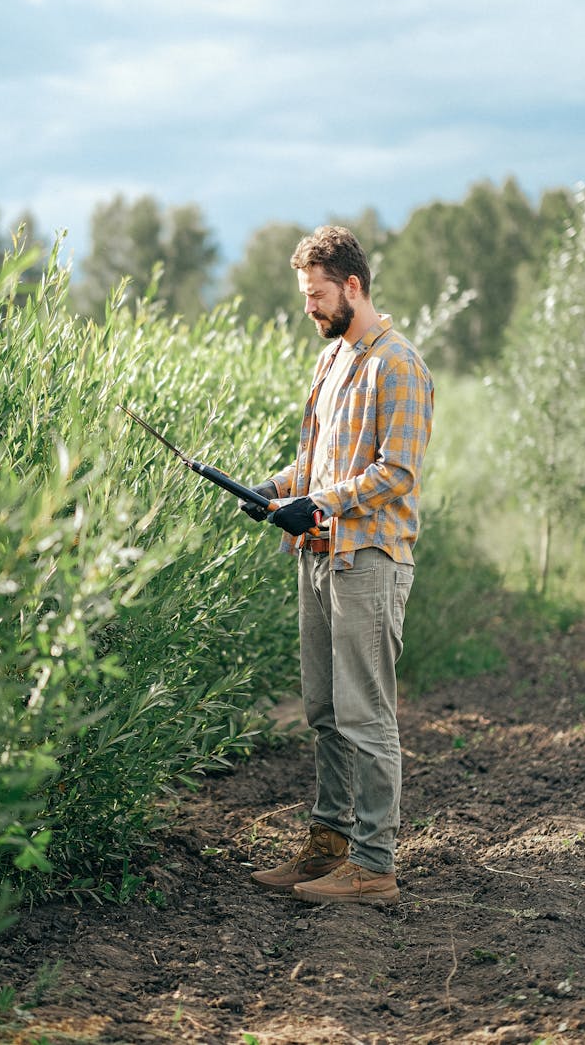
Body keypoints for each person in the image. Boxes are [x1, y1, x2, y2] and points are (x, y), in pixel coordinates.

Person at [239, 225, 433, 906]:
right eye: (305, 297)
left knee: (365, 715)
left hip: (368, 561)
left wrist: (316, 501)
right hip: (318, 557)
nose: (310, 309)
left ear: (352, 285)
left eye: (317, 295)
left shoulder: (396, 364)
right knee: (323, 710)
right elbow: (320, 465)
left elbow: (396, 471)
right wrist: (273, 490)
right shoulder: (330, 363)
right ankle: (329, 845)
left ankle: (375, 862)